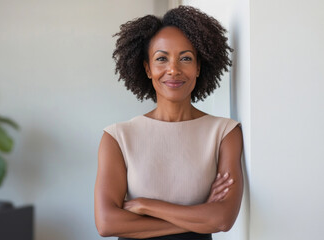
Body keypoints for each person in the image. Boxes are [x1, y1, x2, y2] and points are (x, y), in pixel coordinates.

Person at [94, 5, 243, 240]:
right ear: (148, 69)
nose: (173, 69)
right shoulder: (118, 137)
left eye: (185, 58)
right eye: (161, 59)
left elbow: (223, 219)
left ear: (198, 67)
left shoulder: (224, 133)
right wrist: (200, 218)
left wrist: (145, 206)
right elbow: (107, 223)